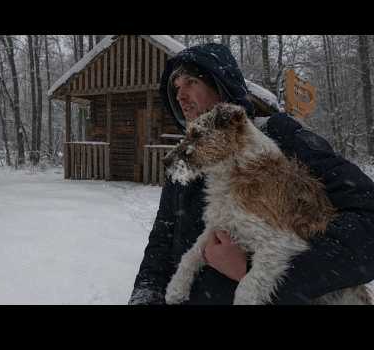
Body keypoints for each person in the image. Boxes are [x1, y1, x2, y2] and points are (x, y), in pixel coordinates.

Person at [128, 43, 374, 305]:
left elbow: (368, 224)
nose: (180, 95)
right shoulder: (189, 161)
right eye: (176, 88)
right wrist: (146, 294)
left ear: (222, 83)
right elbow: (162, 241)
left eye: (190, 82)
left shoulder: (282, 139)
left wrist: (253, 270)